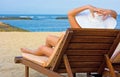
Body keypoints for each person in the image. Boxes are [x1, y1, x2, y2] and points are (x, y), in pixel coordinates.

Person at [21, 5, 117, 57]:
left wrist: (87, 6)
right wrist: (108, 11)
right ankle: (50, 54)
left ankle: (33, 52)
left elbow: (70, 14)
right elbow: (114, 14)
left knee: (42, 48)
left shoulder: (79, 29)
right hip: (93, 58)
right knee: (49, 38)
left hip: (71, 59)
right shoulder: (107, 32)